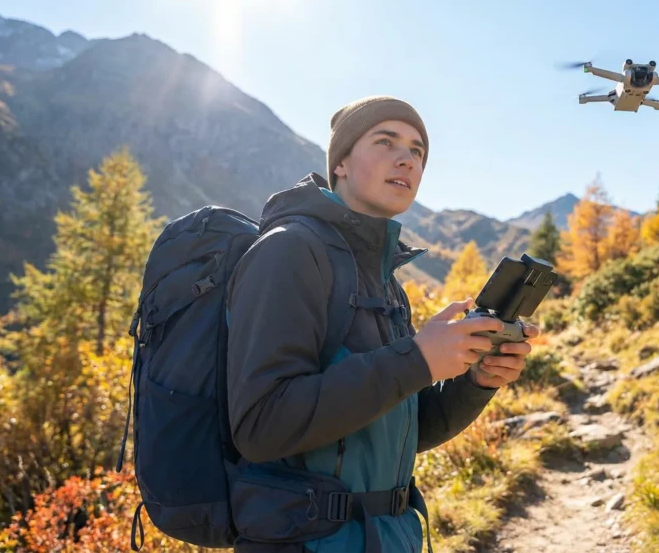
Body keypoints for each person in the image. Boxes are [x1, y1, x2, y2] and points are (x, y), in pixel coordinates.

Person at [225, 95, 538, 553]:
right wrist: (416, 359)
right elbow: (262, 425)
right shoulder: (289, 252)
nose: (406, 158)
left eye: (417, 151)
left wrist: (476, 380)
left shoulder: (385, 281)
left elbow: (405, 433)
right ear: (342, 164)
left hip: (388, 538)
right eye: (386, 141)